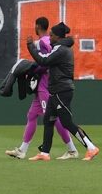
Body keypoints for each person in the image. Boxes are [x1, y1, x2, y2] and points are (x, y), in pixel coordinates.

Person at [25, 21, 99, 162]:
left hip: (61, 90)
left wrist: (30, 46)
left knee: (67, 122)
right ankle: (45, 153)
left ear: (58, 37)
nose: (50, 37)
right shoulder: (62, 48)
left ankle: (91, 147)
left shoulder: (60, 49)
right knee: (48, 120)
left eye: (52, 35)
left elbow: (43, 60)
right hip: (57, 90)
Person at [5, 17, 77, 160]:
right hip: (41, 86)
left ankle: (72, 150)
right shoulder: (47, 41)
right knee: (31, 115)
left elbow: (46, 63)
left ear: (37, 26)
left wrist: (31, 69)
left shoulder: (43, 42)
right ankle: (22, 150)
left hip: (45, 85)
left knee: (54, 118)